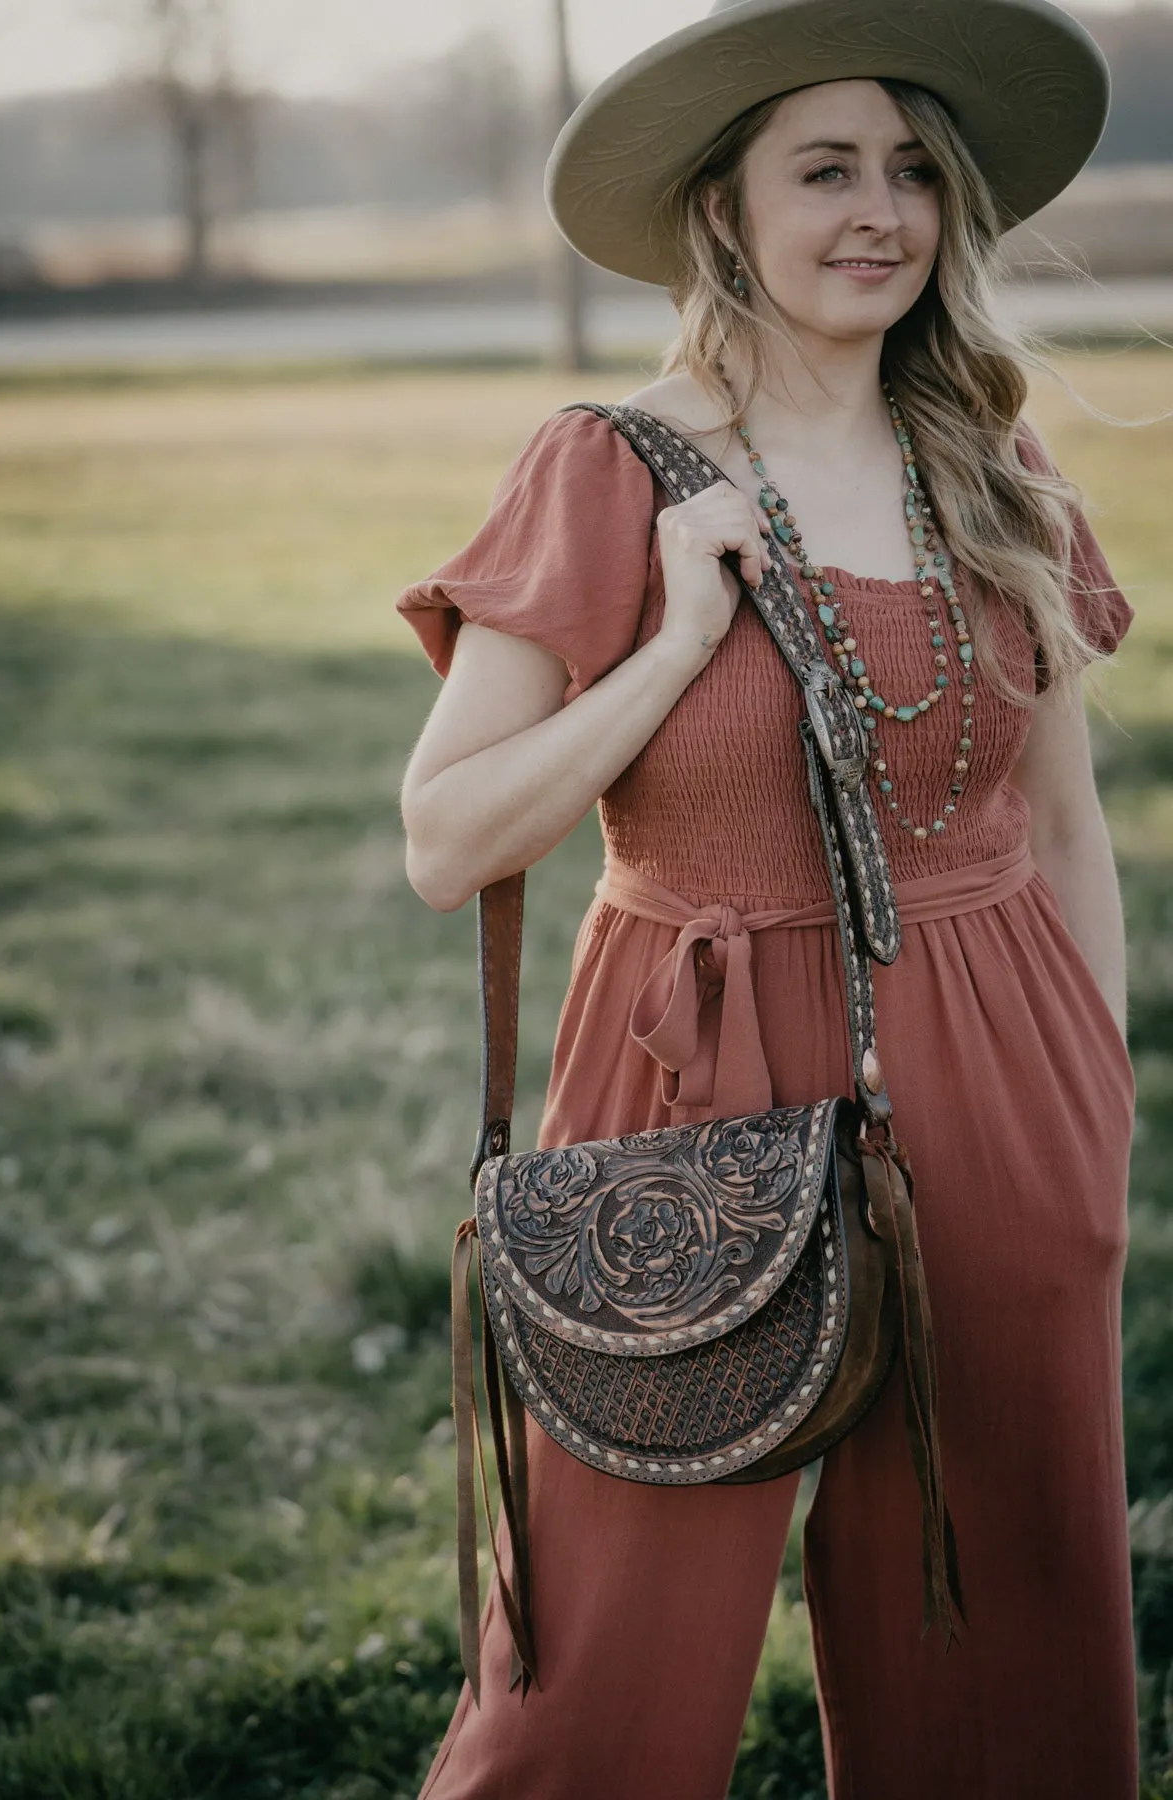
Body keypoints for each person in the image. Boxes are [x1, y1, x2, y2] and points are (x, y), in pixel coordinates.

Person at [396, 1, 1138, 1794]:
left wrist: (1090, 1101)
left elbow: (1064, 815)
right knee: (598, 1646)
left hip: (1000, 1054)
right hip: (690, 1072)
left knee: (1004, 1611)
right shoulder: (605, 465)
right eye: (824, 168)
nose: (877, 210)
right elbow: (444, 838)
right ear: (722, 209)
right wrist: (671, 642)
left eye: (910, 171)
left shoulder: (992, 466)